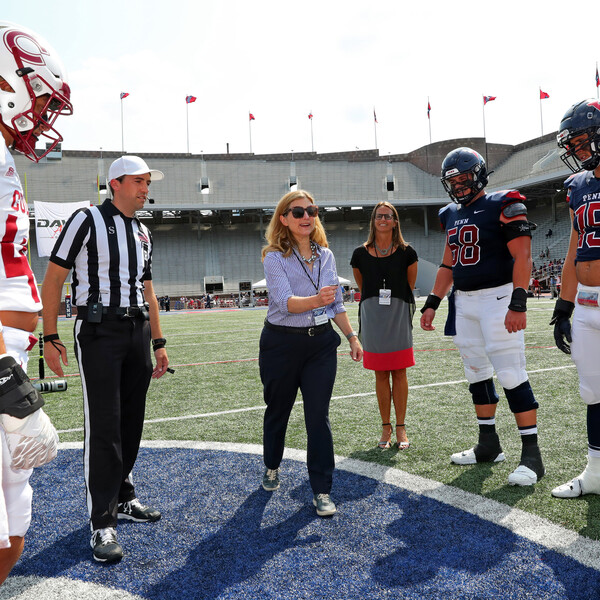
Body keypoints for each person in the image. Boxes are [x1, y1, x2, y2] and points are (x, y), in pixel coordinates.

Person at [41, 155, 169, 563]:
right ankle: (101, 522)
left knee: (132, 419)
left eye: (148, 182)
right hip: (98, 331)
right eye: (139, 181)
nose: (146, 189)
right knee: (105, 423)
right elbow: (55, 279)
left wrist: (159, 341)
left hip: (137, 330)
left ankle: (124, 496)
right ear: (116, 183)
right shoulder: (86, 219)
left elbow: (148, 292)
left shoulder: (144, 232)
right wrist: (49, 335)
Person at [420, 147, 544, 486]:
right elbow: (449, 263)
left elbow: (523, 255)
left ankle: (532, 456)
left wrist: (518, 303)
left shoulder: (504, 203)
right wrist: (432, 301)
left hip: (498, 298)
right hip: (464, 302)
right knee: (476, 373)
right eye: (453, 181)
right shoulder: (449, 213)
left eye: (463, 178)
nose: (459, 185)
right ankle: (488, 444)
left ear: (479, 174)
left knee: (510, 372)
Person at [0, 21, 72, 582]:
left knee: (14, 529)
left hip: (10, 359)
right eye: (42, 96)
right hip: (1, 365)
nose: (45, 112)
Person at [259, 190, 362, 516]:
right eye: (298, 211)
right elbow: (285, 303)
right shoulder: (273, 257)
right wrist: (319, 300)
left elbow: (336, 304)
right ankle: (272, 464)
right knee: (278, 410)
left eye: (311, 210)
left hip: (320, 345)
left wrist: (352, 336)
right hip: (281, 344)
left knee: (318, 416)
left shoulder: (327, 256)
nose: (306, 216)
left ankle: (322, 490)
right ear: (284, 219)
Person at [550, 99, 600, 498]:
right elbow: (574, 246)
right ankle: (597, 473)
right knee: (593, 389)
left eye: (582, 143)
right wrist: (564, 304)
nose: (578, 153)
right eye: (574, 147)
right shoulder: (576, 185)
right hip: (585, 300)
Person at [351, 202, 418, 450]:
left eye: (387, 216)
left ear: (395, 221)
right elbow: (362, 284)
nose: (383, 219)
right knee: (380, 373)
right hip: (373, 316)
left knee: (400, 371)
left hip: (399, 313)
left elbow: (409, 286)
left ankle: (401, 428)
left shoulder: (408, 252)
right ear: (373, 221)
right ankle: (385, 427)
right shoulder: (359, 253)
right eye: (378, 216)